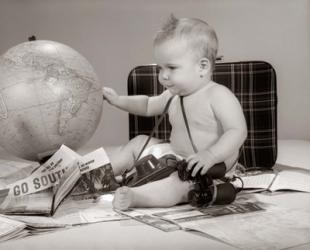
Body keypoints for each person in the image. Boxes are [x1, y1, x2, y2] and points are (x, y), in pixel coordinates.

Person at [102, 15, 247, 210]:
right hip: (176, 156)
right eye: (160, 68)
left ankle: (137, 197)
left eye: (171, 67)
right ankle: (102, 174)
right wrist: (118, 100)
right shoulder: (173, 94)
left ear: (202, 67)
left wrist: (210, 155)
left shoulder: (218, 95)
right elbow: (146, 105)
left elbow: (237, 131)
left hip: (206, 168)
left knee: (177, 185)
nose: (163, 75)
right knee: (138, 142)